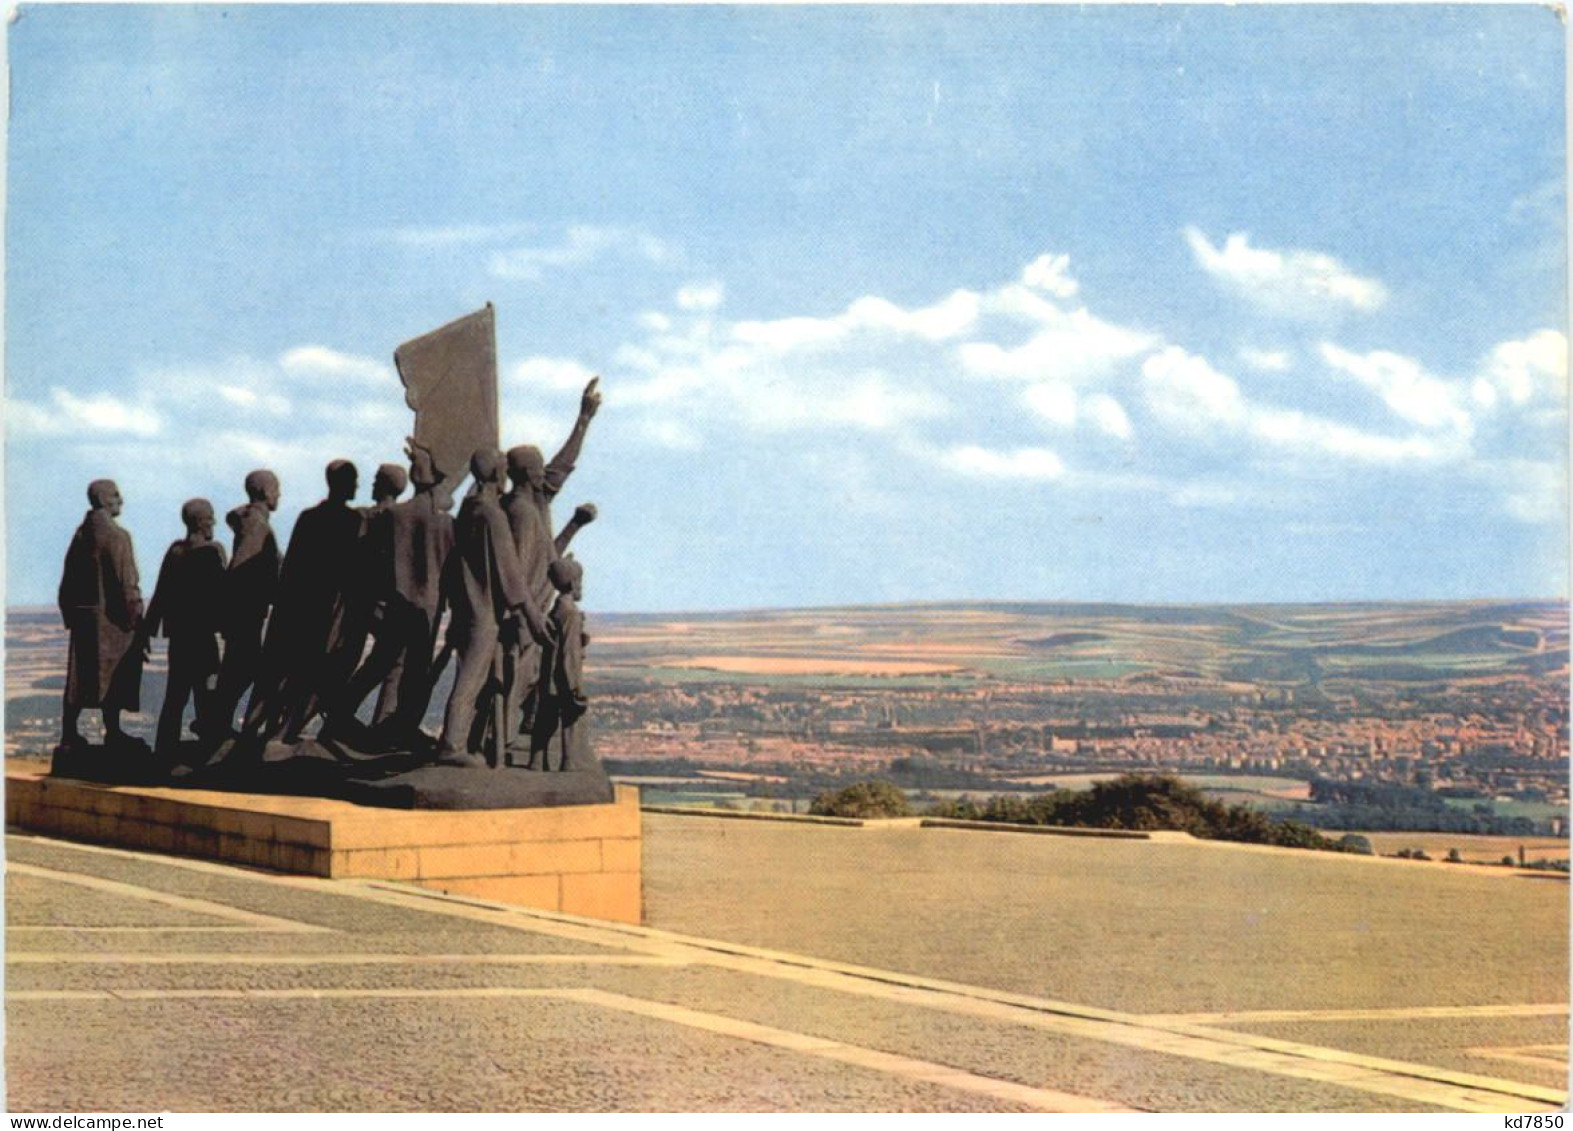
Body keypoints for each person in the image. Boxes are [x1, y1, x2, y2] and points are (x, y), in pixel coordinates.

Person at [498, 376, 601, 742]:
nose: (547, 472)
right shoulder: (519, 512)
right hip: (523, 612)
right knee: (516, 678)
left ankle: (516, 732)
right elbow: (526, 567)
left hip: (534, 609)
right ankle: (503, 739)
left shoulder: (535, 501)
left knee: (532, 676)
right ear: (528, 473)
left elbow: (563, 467)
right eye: (540, 467)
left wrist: (583, 421)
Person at [332, 442, 453, 742]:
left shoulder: (395, 515)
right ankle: (401, 725)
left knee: (380, 663)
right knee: (414, 668)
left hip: (397, 601)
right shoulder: (445, 522)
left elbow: (377, 559)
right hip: (428, 606)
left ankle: (340, 714)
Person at [436, 448, 546, 767]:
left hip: (465, 608)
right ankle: (451, 745)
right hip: (483, 613)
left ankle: (459, 742)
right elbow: (511, 573)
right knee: (470, 681)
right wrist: (531, 615)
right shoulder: (491, 514)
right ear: (498, 474)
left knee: (471, 678)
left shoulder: (469, 509)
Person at [245, 460, 362, 741]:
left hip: (297, 606)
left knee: (280, 673)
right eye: (353, 480)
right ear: (343, 484)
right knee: (310, 675)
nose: (357, 486)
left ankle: (256, 732)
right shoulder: (351, 521)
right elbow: (350, 571)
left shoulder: (308, 518)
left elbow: (291, 569)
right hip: (323, 610)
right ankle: (280, 734)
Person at [57, 479, 144, 747]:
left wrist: (72, 617)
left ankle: (69, 732)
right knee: (116, 675)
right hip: (114, 623)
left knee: (79, 678)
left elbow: (66, 586)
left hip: (85, 622)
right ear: (105, 499)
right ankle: (113, 731)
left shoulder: (81, 535)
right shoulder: (117, 537)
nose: (121, 500)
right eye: (116, 495)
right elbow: (126, 584)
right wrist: (136, 619)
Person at [143, 498, 227, 756]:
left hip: (179, 638)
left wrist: (147, 630)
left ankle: (165, 751)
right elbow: (224, 593)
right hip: (202, 637)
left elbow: (159, 596)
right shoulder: (213, 551)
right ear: (200, 522)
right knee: (206, 693)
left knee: (175, 696)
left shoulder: (175, 552)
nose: (213, 521)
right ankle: (209, 748)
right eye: (210, 516)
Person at [210, 469, 282, 735]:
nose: (279, 495)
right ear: (264, 492)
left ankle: (215, 721)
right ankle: (214, 722)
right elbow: (244, 567)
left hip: (244, 610)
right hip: (246, 611)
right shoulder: (257, 525)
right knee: (243, 668)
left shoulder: (253, 523)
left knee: (238, 668)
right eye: (276, 489)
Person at [529, 556, 590, 772]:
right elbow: (569, 653)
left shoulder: (557, 608)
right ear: (573, 584)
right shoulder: (571, 613)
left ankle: (536, 761)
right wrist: (574, 685)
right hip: (564, 678)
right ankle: (567, 762)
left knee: (545, 719)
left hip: (549, 677)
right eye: (581, 582)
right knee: (569, 720)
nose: (582, 587)